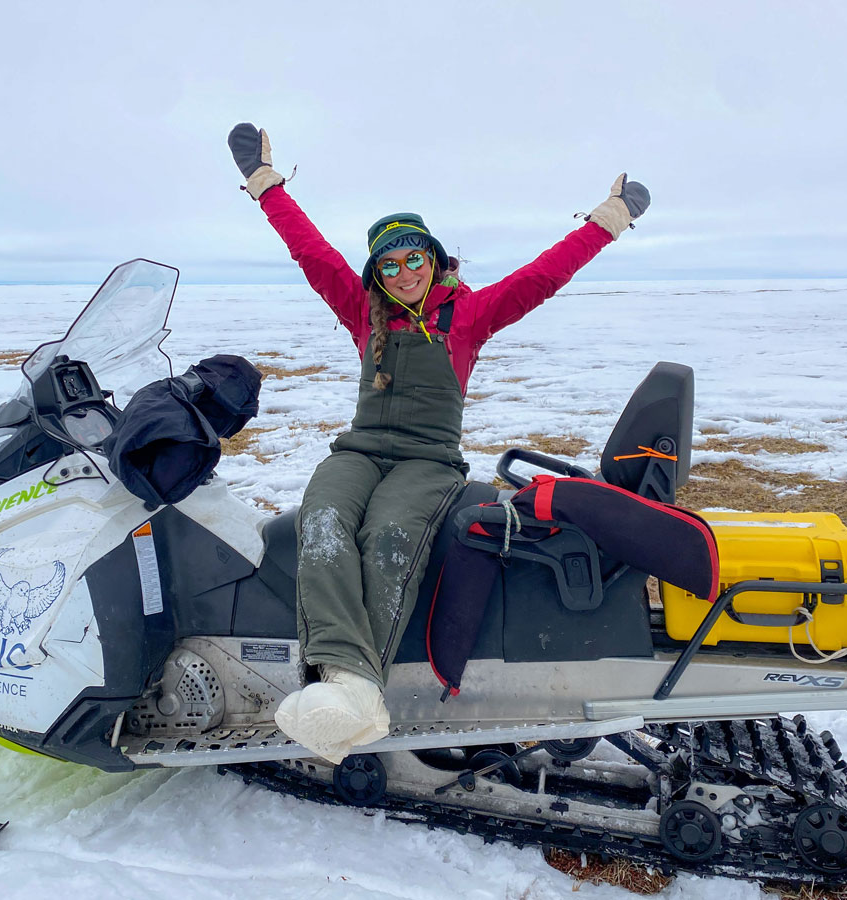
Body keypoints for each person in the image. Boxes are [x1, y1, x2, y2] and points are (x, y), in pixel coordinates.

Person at [227, 123, 649, 764]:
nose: (402, 274)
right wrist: (264, 183)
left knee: (392, 533)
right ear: (377, 273)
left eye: (413, 259)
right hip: (361, 450)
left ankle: (355, 690)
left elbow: (544, 275)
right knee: (323, 520)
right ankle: (347, 682)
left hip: (427, 460)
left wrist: (608, 217)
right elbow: (310, 251)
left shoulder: (470, 315)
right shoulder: (361, 310)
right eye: (389, 265)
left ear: (432, 259)